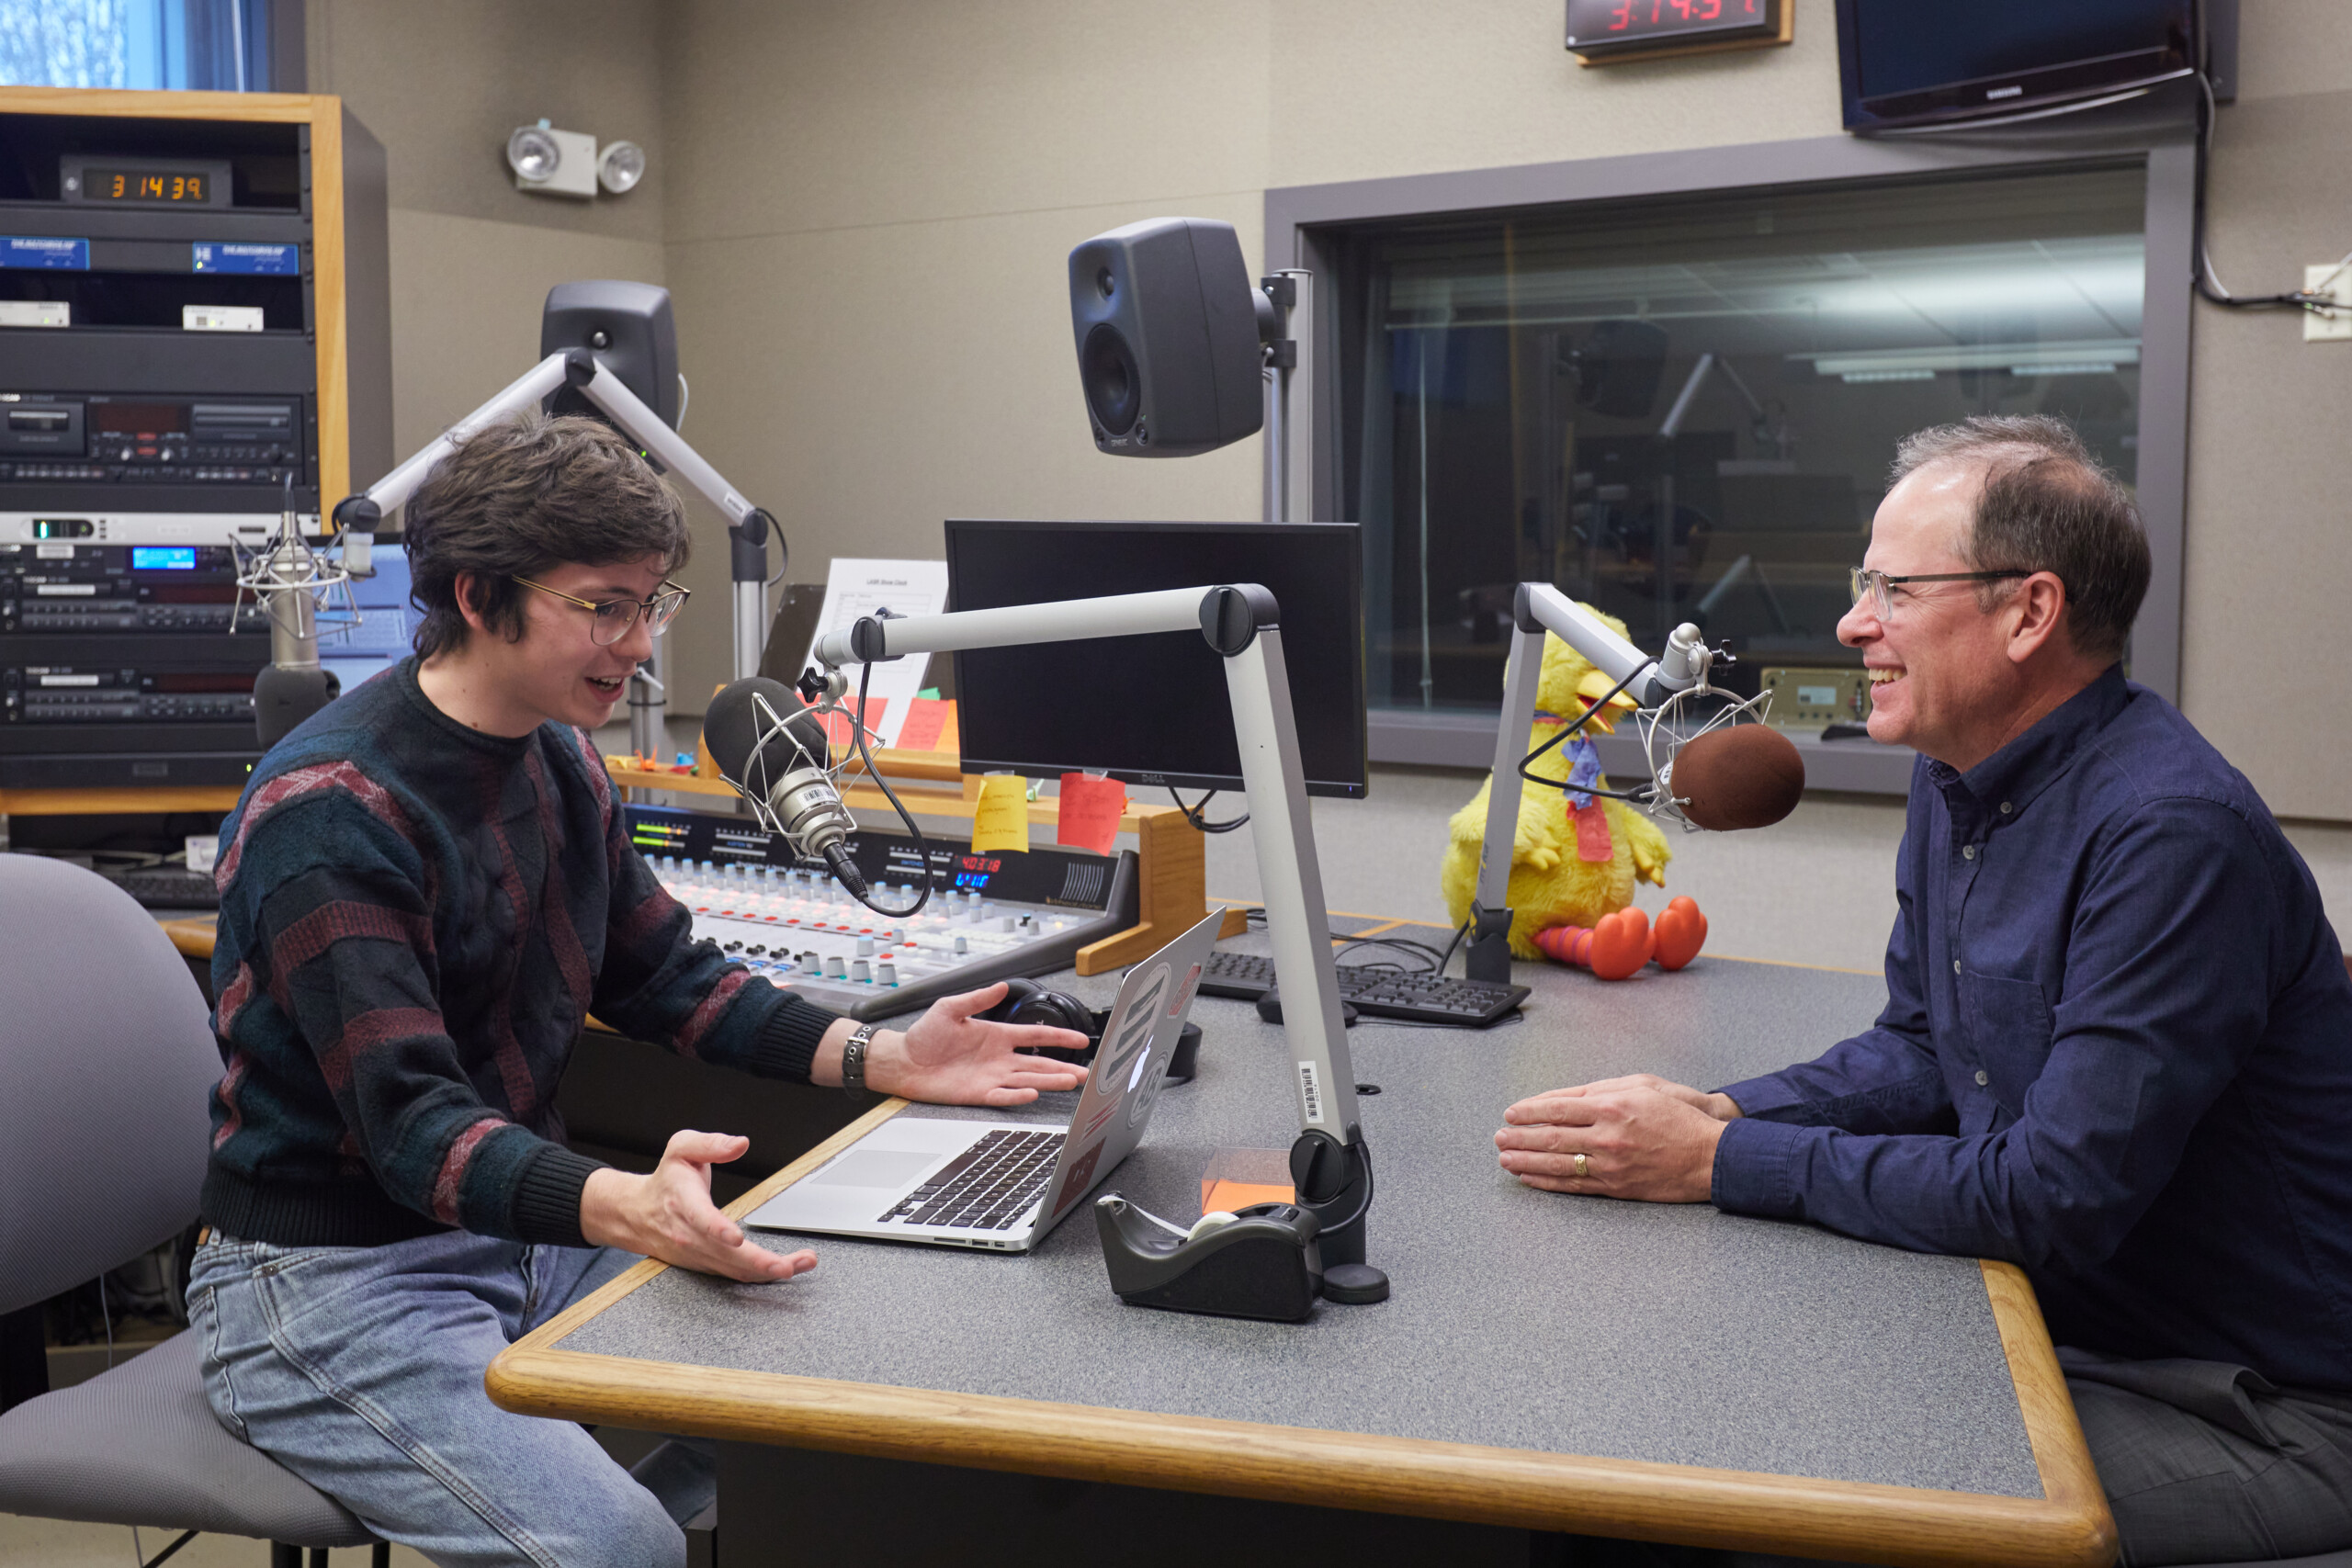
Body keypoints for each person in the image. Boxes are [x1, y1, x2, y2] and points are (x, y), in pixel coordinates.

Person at [188, 414, 1090, 1568]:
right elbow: (413, 1131)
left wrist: (885, 1058)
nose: (639, 645)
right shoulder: (332, 810)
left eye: (650, 605)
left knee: (833, 1405)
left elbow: (667, 978)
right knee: (616, 1548)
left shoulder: (558, 756)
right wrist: (623, 1203)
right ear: (477, 595)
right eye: (602, 606)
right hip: (323, 1281)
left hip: (513, 1241)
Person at [1493, 415, 2352, 1567]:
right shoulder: (1959, 776)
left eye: (1892, 590)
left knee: (1728, 1484)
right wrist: (1725, 1115)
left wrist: (1713, 1164)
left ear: (2028, 613)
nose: (1853, 624)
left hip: (2261, 1409)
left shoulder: (2170, 836)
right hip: (2067, 1323)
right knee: (1651, 1404)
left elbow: (2050, 1196)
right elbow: (1920, 1051)